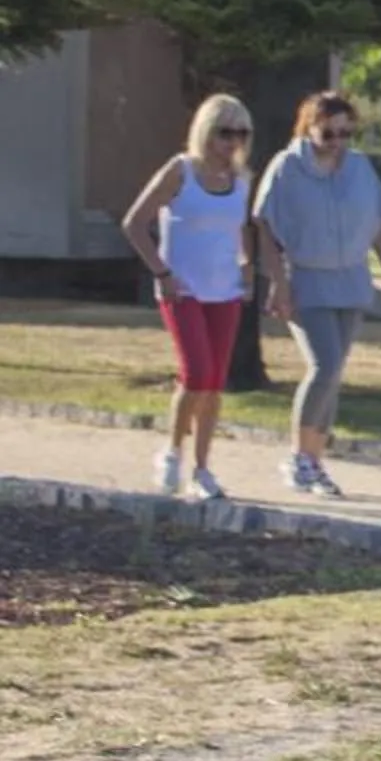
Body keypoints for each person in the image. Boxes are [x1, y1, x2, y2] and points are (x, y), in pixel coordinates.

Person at [253, 91, 381, 498]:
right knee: (324, 365)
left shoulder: (359, 167)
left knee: (334, 374)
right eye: (328, 134)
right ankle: (297, 458)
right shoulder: (287, 167)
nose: (337, 142)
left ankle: (315, 462)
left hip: (351, 280)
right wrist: (277, 281)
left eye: (345, 133)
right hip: (306, 279)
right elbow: (265, 225)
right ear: (309, 128)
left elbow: (377, 223)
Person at [117, 95, 258, 501]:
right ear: (205, 131)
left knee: (214, 382)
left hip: (225, 290)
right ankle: (172, 452)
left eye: (241, 133)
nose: (232, 142)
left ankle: (202, 468)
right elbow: (134, 224)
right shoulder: (180, 171)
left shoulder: (241, 180)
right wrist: (162, 272)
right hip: (183, 290)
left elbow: (240, 230)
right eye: (224, 132)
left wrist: (247, 269)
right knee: (196, 372)